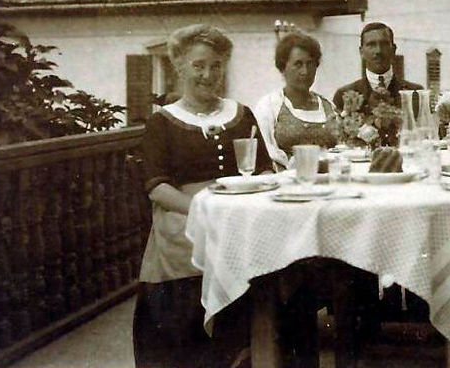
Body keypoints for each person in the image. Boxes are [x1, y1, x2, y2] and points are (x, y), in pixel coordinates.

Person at [132, 24, 270, 368]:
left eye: (216, 66)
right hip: (185, 220)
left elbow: (266, 171)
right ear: (179, 67)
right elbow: (158, 189)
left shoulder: (242, 115)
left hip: (237, 218)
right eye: (199, 66)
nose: (208, 75)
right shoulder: (162, 122)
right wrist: (206, 210)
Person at [255, 32, 338, 170]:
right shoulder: (269, 106)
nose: (305, 71)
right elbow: (265, 155)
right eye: (298, 64)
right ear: (283, 67)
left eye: (310, 64)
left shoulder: (328, 106)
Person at [333, 22, 422, 113]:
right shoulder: (344, 96)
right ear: (361, 52)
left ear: (393, 49)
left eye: (384, 44)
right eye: (371, 45)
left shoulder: (415, 93)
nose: (378, 51)